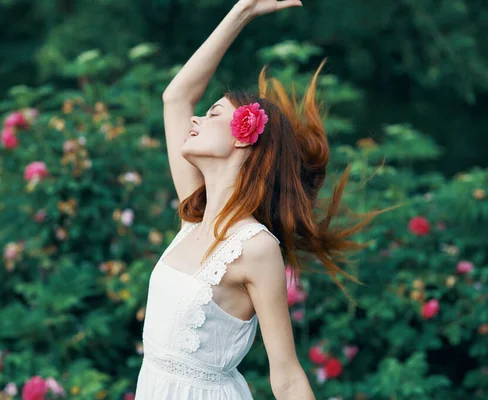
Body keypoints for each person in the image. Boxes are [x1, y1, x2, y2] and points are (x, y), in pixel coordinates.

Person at [135, 0, 394, 398]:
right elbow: (176, 97)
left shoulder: (254, 247)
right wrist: (242, 11)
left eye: (213, 113)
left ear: (242, 135)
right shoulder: (195, 214)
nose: (195, 120)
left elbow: (287, 376)